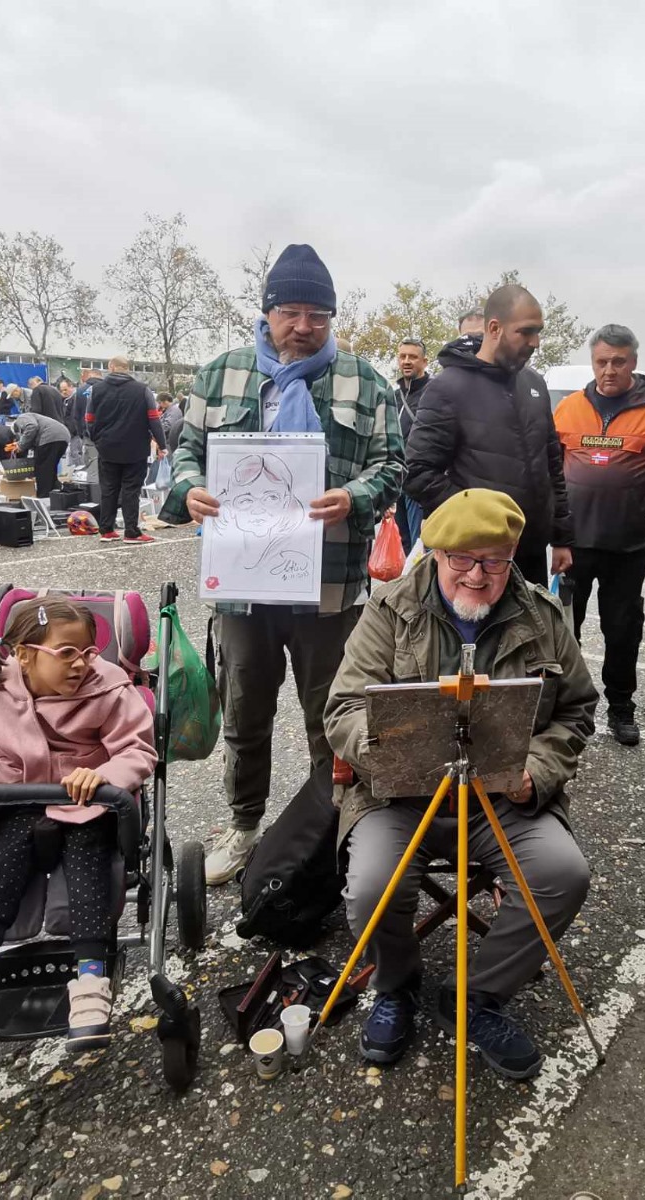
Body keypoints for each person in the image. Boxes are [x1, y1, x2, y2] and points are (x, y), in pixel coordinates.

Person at [326, 488, 595, 1077]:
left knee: (561, 875)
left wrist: (538, 771)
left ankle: (477, 997)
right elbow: (342, 708)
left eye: (494, 561)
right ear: (437, 553)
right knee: (372, 888)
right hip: (400, 796)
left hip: (503, 797)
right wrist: (389, 759)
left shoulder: (543, 618)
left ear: (513, 555)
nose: (477, 575)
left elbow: (577, 711)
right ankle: (396, 986)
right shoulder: (391, 608)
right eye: (462, 560)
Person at [160, 243, 404, 886]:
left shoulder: (366, 381)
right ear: (266, 311)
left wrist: (357, 496)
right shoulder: (220, 375)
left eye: (318, 314)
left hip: (330, 587)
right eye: (291, 312)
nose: (304, 326)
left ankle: (334, 833)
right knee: (246, 714)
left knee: (336, 717)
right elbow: (186, 451)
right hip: (243, 587)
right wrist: (189, 488)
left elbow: (394, 465)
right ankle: (244, 828)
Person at [0, 597, 158, 1072]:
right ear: (24, 654)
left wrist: (106, 774)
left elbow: (137, 750)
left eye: (89, 652)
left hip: (89, 803)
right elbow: (3, 762)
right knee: (0, 867)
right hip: (26, 801)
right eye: (67, 653)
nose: (82, 664)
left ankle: (91, 980)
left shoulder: (110, 691)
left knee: (88, 865)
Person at [553, 324, 645, 744]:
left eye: (618, 361)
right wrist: (555, 536)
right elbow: (549, 477)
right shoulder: (569, 408)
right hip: (573, 547)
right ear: (592, 362)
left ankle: (620, 707)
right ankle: (564, 708)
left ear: (633, 361)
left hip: (626, 548)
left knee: (623, 632)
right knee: (562, 631)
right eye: (601, 361)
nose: (609, 370)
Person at [404, 284, 573, 584]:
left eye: (539, 332)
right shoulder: (448, 387)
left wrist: (561, 536)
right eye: (526, 332)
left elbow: (552, 464)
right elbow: (418, 473)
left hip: (530, 552)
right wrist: (478, 519)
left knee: (531, 631)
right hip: (476, 559)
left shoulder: (534, 383)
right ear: (494, 328)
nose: (536, 342)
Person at [87, 356, 164, 543]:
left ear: (110, 367)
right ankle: (131, 531)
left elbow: (89, 419)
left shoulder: (96, 390)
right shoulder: (142, 390)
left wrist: (97, 439)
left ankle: (106, 529)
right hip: (135, 447)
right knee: (131, 490)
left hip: (106, 447)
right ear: (127, 369)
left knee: (108, 489)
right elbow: (154, 418)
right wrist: (162, 444)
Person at [393, 338, 431, 548]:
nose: (407, 361)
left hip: (420, 482)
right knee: (402, 545)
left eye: (413, 357)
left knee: (421, 546)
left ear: (424, 361)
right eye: (403, 356)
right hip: (397, 482)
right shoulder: (394, 395)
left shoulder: (434, 392)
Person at [10, 410, 72, 498]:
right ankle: (55, 495)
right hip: (63, 437)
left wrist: (21, 445)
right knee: (51, 469)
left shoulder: (21, 418)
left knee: (42, 470)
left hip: (50, 436)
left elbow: (32, 427)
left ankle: (43, 496)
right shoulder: (37, 419)